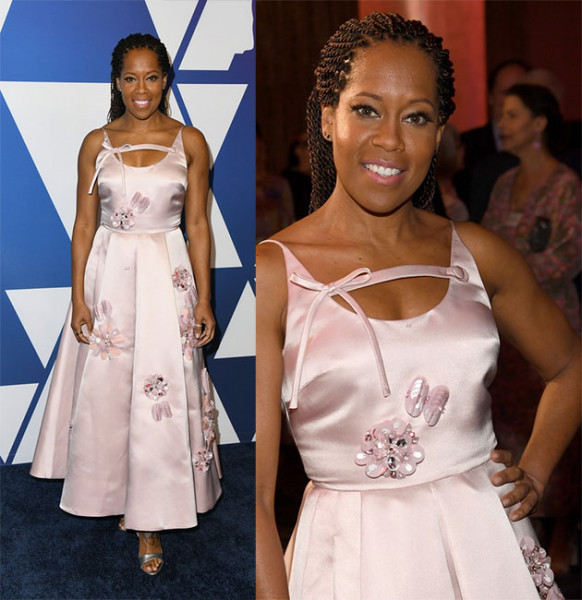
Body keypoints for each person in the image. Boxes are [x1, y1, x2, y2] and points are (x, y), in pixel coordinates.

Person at [256, 12, 579, 600]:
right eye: (366, 109)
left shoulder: (478, 253)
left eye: (417, 117)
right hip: (351, 565)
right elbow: (254, 497)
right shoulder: (275, 274)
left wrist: (534, 472)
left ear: (439, 134)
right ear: (327, 118)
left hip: (488, 554)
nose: (391, 140)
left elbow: (570, 365)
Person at [30, 33, 222, 575]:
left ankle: (150, 519)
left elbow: (198, 224)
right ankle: (115, 492)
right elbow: (83, 225)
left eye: (152, 77)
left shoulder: (191, 141)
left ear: (166, 80)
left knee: (161, 392)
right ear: (117, 82)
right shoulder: (96, 143)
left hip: (168, 278)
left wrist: (205, 298)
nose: (142, 89)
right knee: (111, 393)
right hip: (110, 280)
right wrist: (77, 297)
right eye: (131, 78)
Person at [456, 59, 530, 222]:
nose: (513, 99)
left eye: (521, 91)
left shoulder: (543, 148)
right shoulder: (466, 145)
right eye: (506, 92)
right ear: (490, 97)